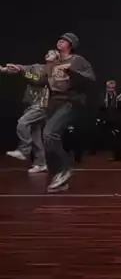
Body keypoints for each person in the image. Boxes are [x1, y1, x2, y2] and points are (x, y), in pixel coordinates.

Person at [7, 33, 95, 192]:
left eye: (64, 40)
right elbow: (38, 79)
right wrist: (20, 70)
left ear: (71, 45)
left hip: (71, 102)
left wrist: (72, 73)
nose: (60, 41)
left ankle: (64, 169)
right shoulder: (52, 64)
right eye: (59, 39)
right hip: (55, 104)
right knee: (47, 138)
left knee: (49, 133)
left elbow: (90, 79)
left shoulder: (77, 60)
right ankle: (60, 178)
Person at [5, 49, 59, 173]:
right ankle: (41, 163)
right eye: (48, 52)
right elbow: (24, 68)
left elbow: (38, 80)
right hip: (34, 103)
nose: (48, 54)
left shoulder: (56, 71)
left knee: (22, 122)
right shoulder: (38, 67)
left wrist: (22, 72)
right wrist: (9, 69)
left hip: (43, 105)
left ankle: (24, 150)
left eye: (52, 53)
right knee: (36, 135)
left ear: (57, 59)